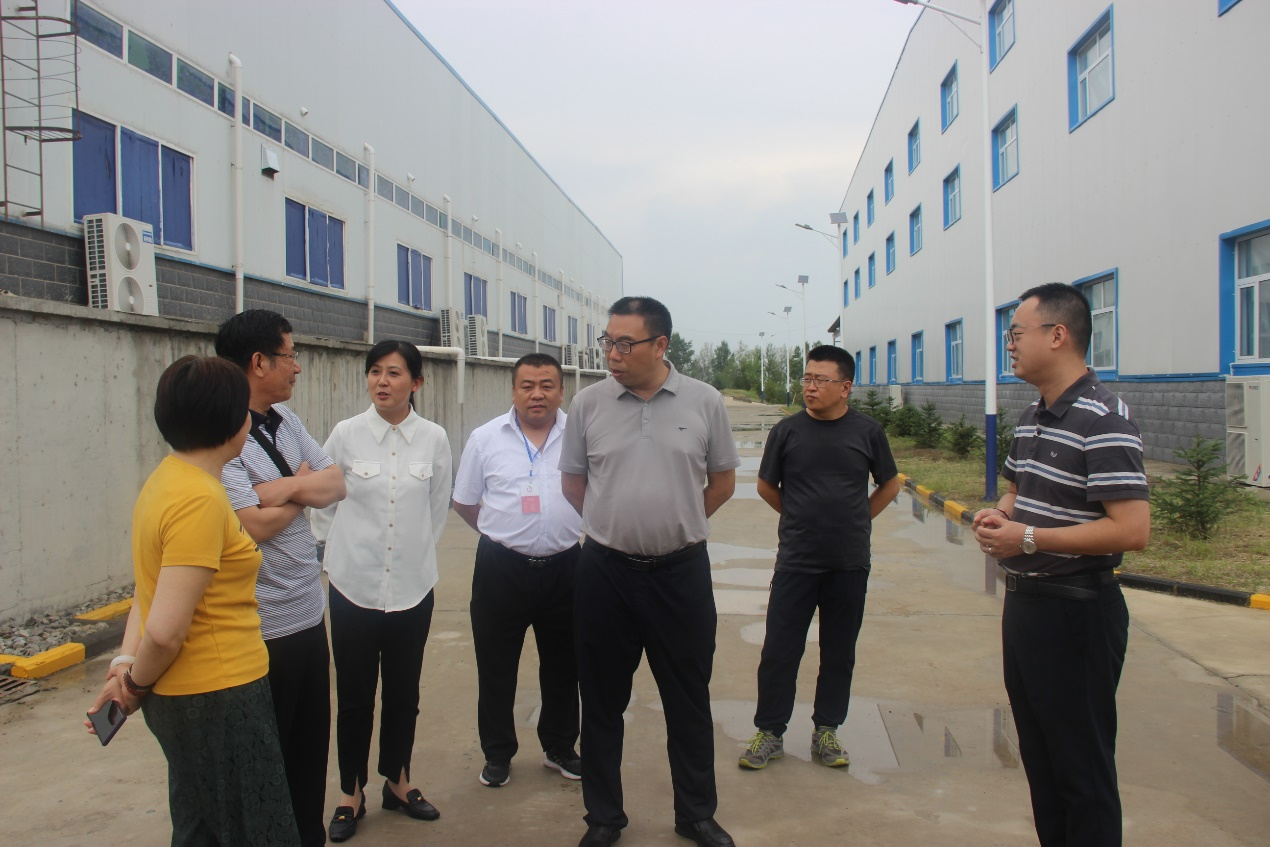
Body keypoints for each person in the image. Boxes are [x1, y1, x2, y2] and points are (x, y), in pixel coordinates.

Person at [85, 355, 300, 846]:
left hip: (189, 698)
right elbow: (165, 630)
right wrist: (132, 686)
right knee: (254, 829)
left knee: (201, 825)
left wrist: (123, 665)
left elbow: (149, 591)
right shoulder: (200, 499)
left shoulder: (166, 480)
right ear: (233, 420)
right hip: (218, 696)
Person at [972, 282, 1150, 847]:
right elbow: (1018, 490)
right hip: (1027, 609)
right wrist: (1000, 515)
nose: (1009, 345)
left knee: (1081, 771)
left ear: (1058, 335)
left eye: (1016, 333)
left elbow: (1132, 529)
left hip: (1079, 614)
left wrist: (1026, 538)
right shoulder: (1033, 415)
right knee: (1042, 763)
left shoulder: (1104, 418)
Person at [560, 296, 740, 847]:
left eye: (625, 343)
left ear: (660, 345)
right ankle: (603, 818)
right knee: (601, 701)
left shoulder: (704, 401)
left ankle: (696, 815)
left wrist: (676, 521)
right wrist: (616, 523)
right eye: (607, 342)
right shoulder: (588, 403)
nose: (612, 354)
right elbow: (573, 483)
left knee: (688, 700)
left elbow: (722, 482)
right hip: (605, 575)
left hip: (680, 576)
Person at [309, 340, 452, 842]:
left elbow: (436, 508)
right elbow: (323, 500)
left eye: (394, 373)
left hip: (412, 587)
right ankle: (351, 792)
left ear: (416, 382)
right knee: (353, 696)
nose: (382, 381)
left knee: (404, 692)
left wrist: (412, 557)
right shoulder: (346, 434)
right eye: (375, 372)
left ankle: (398, 781)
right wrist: (339, 551)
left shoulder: (433, 438)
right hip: (353, 586)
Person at [216, 310, 347, 847]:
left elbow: (335, 483)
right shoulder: (222, 433)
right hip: (261, 629)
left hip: (308, 616)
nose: (297, 367)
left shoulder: (285, 421)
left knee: (309, 752)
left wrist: (282, 489)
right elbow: (251, 526)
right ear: (258, 362)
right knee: (267, 760)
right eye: (290, 355)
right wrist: (301, 487)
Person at [738, 345, 899, 772]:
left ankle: (826, 730)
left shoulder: (868, 431)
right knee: (779, 650)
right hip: (797, 561)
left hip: (848, 562)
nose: (810, 387)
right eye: (807, 378)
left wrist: (858, 519)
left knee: (838, 651)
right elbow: (766, 486)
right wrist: (798, 517)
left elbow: (890, 484)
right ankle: (769, 731)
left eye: (820, 380)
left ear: (845, 388)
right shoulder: (787, 432)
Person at [452, 352, 584, 789]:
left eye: (547, 385)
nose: (537, 394)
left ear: (562, 391)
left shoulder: (580, 436)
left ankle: (560, 747)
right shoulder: (485, 439)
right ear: (513, 390)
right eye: (527, 385)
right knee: (496, 666)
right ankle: (497, 754)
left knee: (564, 666)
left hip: (567, 566)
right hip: (501, 569)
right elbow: (465, 502)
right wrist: (501, 533)